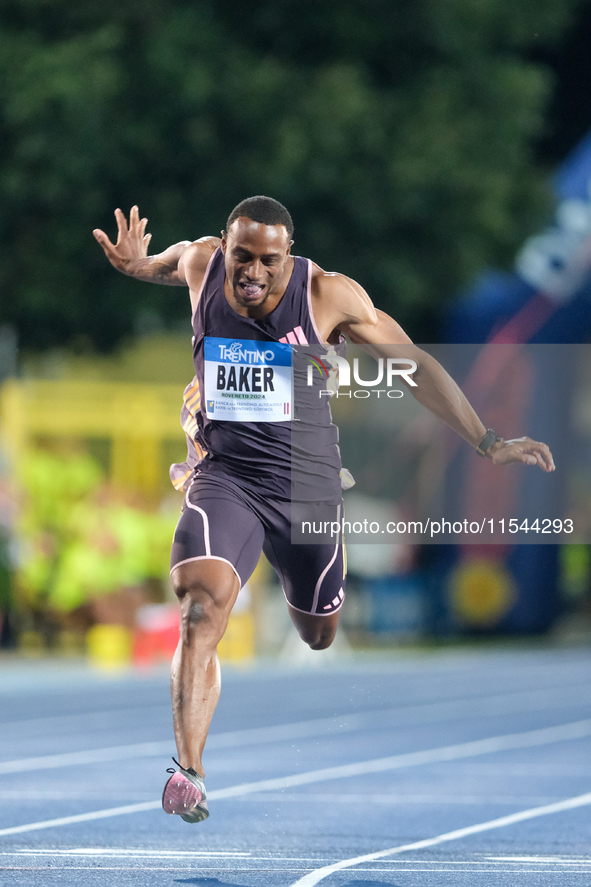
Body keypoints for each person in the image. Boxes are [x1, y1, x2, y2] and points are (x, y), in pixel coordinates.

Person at [93, 196, 555, 824]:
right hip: (224, 477)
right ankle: (189, 771)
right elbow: (171, 262)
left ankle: (304, 610)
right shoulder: (204, 266)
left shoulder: (329, 297)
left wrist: (488, 442)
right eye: (242, 257)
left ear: (290, 256)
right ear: (224, 248)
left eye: (269, 262)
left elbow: (413, 365)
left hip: (305, 487)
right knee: (201, 606)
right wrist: (136, 266)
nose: (252, 273)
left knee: (318, 633)